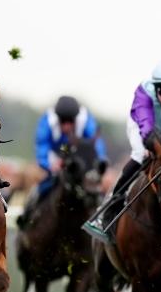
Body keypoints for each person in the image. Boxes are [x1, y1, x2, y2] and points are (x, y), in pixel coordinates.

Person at [83, 59, 161, 242]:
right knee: (140, 155)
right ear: (155, 88)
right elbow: (146, 128)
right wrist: (152, 146)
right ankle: (109, 208)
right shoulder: (144, 92)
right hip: (141, 127)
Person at [16, 95, 108, 228]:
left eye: (70, 122)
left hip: (79, 159)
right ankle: (28, 213)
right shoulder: (46, 122)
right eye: (63, 122)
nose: (66, 126)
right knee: (43, 184)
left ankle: (102, 218)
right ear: (57, 118)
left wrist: (98, 163)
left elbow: (97, 145)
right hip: (55, 156)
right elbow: (42, 148)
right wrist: (49, 165)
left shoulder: (87, 121)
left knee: (95, 185)